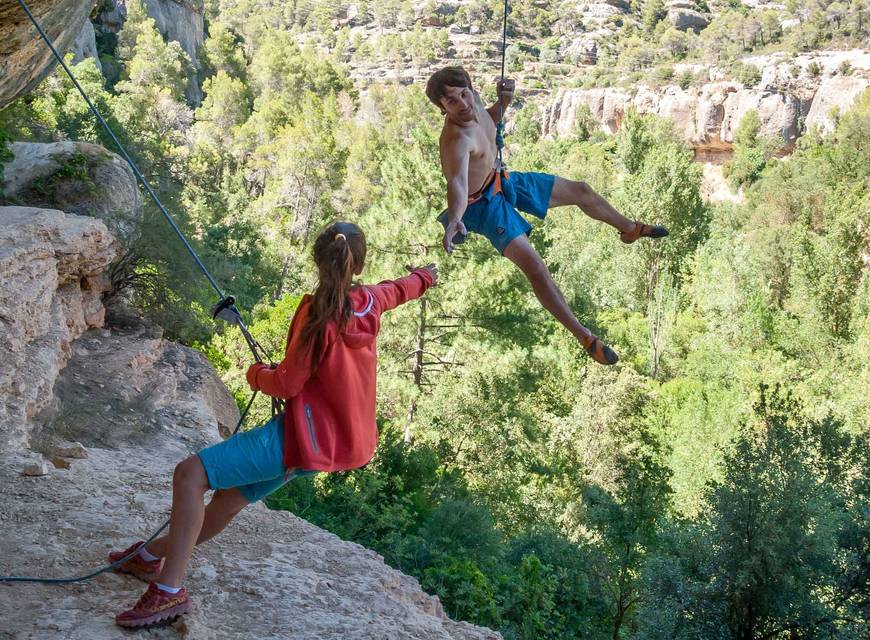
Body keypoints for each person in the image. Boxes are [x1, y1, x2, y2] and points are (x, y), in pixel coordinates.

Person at [109, 221, 438, 628]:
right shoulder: (371, 302)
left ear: (318, 259)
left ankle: (168, 591)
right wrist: (426, 276)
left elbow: (288, 382)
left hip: (300, 437)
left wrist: (255, 374)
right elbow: (400, 288)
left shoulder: (317, 315)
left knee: (189, 475)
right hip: (329, 446)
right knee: (226, 503)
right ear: (359, 265)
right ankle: (147, 558)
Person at [426, 66, 668, 365]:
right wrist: (455, 219)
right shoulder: (455, 140)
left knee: (581, 191)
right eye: (451, 102)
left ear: (471, 89)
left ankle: (630, 229)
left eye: (464, 95)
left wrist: (504, 102)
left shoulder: (472, 99)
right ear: (442, 108)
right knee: (536, 268)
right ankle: (585, 337)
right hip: (482, 206)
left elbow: (489, 119)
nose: (462, 104)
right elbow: (458, 184)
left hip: (501, 179)